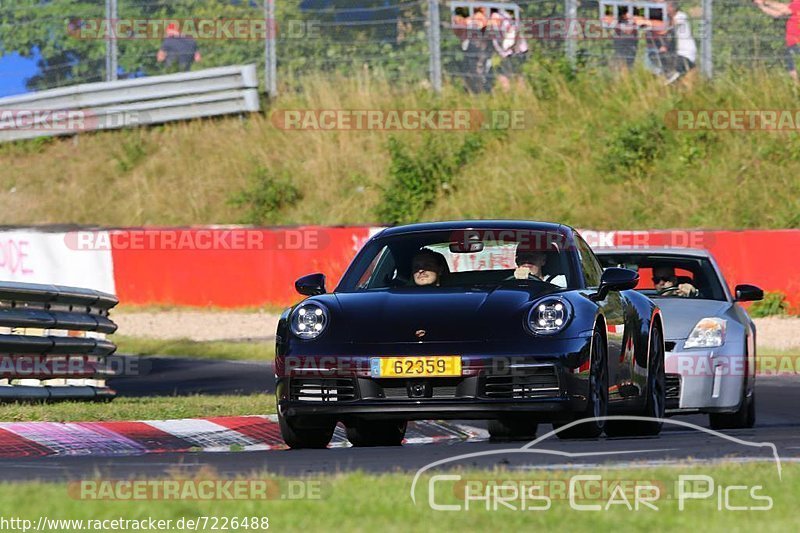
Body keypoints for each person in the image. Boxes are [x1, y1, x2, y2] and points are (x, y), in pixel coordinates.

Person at [753, 0, 800, 82]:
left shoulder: (797, 3)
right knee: (792, 68)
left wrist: (764, 3)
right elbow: (779, 11)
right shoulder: (793, 5)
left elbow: (782, 11)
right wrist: (762, 5)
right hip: (793, 42)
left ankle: (797, 89)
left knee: (793, 69)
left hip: (796, 42)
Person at [663, 1, 697, 84]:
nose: (666, 10)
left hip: (686, 52)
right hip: (681, 52)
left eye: (667, 7)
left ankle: (666, 85)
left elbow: (671, 26)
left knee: (676, 74)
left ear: (673, 8)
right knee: (678, 75)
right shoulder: (674, 17)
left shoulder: (681, 15)